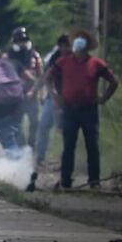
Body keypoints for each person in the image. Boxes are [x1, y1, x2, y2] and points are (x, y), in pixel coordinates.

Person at [48, 31, 118, 189]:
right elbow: (49, 78)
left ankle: (94, 180)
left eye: (82, 44)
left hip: (89, 110)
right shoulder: (63, 62)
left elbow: (113, 81)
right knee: (68, 146)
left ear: (87, 47)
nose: (78, 47)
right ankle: (66, 180)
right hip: (69, 110)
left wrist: (103, 98)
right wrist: (55, 95)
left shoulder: (96, 63)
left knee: (92, 145)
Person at [33, 35, 71, 166]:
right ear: (60, 46)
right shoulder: (54, 58)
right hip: (53, 96)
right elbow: (47, 77)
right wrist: (46, 93)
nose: (66, 48)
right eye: (64, 45)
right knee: (44, 126)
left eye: (68, 46)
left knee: (64, 130)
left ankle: (66, 159)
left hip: (69, 99)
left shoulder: (74, 58)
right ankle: (41, 157)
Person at [6, 26, 43, 149]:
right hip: (16, 95)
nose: (21, 43)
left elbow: (40, 76)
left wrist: (39, 93)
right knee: (17, 123)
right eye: (19, 41)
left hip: (32, 93)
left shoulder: (35, 55)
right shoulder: (9, 56)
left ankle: (32, 145)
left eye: (23, 40)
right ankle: (21, 147)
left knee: (34, 121)